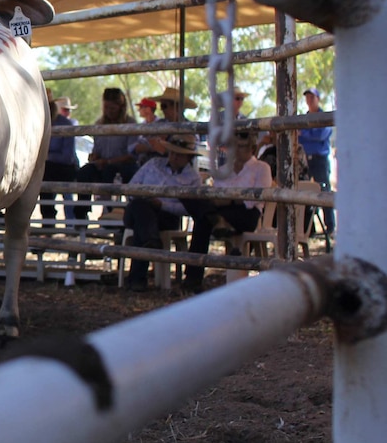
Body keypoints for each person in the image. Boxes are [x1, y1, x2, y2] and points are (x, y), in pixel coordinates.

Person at [180, 131, 273, 293]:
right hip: (221, 209)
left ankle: (192, 277)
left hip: (247, 213)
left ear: (252, 148)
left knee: (204, 219)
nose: (237, 151)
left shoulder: (261, 168)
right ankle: (216, 220)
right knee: (194, 203)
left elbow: (256, 199)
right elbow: (216, 195)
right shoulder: (223, 170)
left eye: (242, 147)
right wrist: (219, 201)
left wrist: (229, 199)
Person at [123, 133, 203, 292]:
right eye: (172, 152)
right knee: (141, 207)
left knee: (142, 223)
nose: (174, 157)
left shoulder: (193, 178)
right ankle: (151, 240)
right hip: (140, 207)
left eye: (179, 154)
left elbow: (189, 209)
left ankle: (138, 278)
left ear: (188, 157)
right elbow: (131, 188)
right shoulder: (153, 164)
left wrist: (162, 204)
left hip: (166, 215)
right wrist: (146, 197)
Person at [73, 87, 138, 222]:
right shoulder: (99, 124)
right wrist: (94, 156)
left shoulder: (130, 124)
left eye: (112, 108)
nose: (109, 111)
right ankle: (81, 214)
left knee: (120, 173)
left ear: (121, 107)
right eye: (106, 107)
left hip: (122, 165)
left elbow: (132, 154)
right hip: (102, 164)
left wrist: (109, 162)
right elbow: (97, 149)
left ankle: (117, 212)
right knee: (84, 173)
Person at [298, 87, 334, 235]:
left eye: (312, 97)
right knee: (305, 191)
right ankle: (309, 228)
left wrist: (305, 133)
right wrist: (308, 133)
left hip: (319, 160)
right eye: (307, 97)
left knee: (324, 191)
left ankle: (330, 226)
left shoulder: (324, 117)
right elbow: (298, 136)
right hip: (305, 161)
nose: (309, 100)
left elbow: (320, 135)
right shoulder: (303, 118)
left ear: (318, 99)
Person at [40, 97, 79, 222]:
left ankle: (69, 222)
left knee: (64, 192)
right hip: (49, 166)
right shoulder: (41, 122)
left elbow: (67, 157)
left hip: (63, 167)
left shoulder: (66, 125)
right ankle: (49, 221)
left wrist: (46, 156)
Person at [131, 97, 160, 165]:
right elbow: (136, 147)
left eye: (141, 107)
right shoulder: (141, 125)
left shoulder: (160, 123)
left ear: (148, 109)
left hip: (157, 161)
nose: (139, 110)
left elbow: (159, 146)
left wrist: (145, 147)